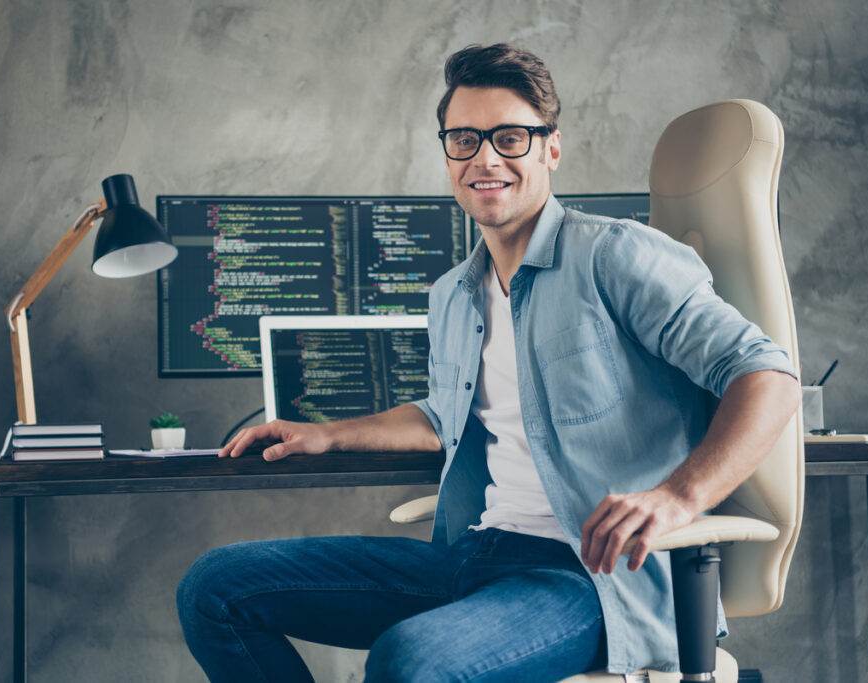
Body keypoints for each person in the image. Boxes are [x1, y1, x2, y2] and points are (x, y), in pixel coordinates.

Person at [176, 43, 801, 682]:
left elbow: (767, 376)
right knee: (215, 587)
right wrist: (328, 434)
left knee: (408, 660)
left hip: (590, 578)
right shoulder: (453, 294)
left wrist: (677, 497)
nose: (485, 158)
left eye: (509, 137)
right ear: (448, 154)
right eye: (464, 140)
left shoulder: (614, 256)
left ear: (550, 149)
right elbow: (444, 416)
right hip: (476, 554)